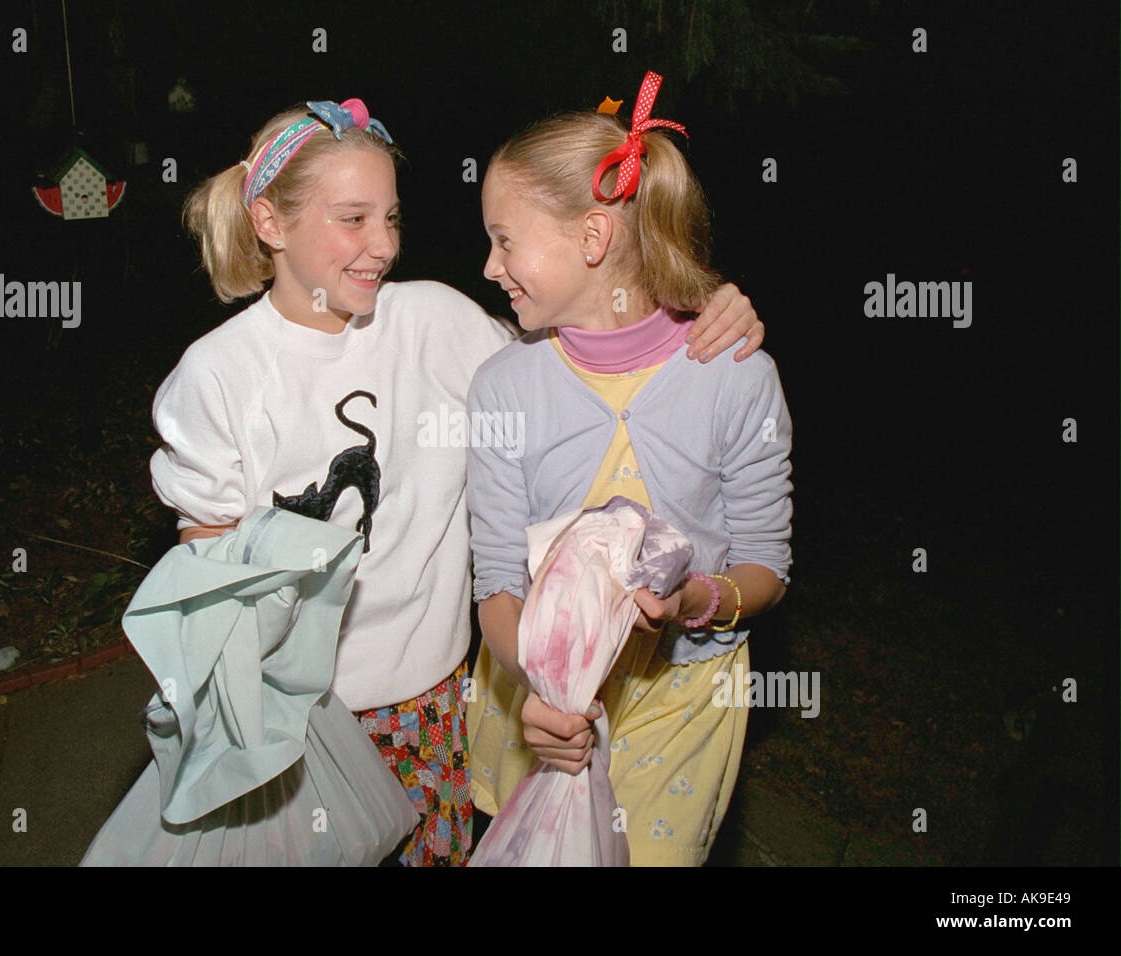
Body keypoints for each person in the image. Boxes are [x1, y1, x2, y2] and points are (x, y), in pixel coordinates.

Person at [149, 95, 767, 866]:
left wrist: (707, 308)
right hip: (296, 723)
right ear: (271, 225)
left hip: (431, 706)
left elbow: (584, 343)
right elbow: (207, 587)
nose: (381, 245)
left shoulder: (437, 324)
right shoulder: (217, 377)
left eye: (392, 218)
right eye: (353, 219)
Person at [466, 71, 793, 866]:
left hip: (678, 705)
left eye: (505, 239)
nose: (488, 266)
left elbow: (767, 567)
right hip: (536, 698)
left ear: (591, 239)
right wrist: (545, 690)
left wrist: (695, 598)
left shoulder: (736, 374)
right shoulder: (504, 385)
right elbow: (498, 584)